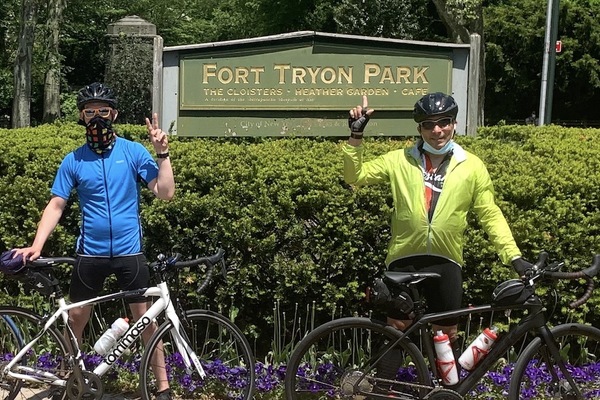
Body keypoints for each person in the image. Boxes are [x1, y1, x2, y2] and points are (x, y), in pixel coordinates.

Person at [343, 93, 532, 381]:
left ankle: (443, 393)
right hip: (404, 259)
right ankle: (381, 391)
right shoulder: (399, 160)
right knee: (395, 331)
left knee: (447, 335)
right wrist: (355, 137)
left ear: (454, 124)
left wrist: (514, 257)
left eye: (444, 122)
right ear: (419, 128)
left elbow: (489, 214)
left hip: (446, 261)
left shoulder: (472, 166)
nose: (437, 130)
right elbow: (354, 176)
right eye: (429, 124)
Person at [12, 82, 175, 399]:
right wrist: (37, 244)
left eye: (103, 110)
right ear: (82, 117)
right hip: (90, 253)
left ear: (114, 114)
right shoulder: (74, 160)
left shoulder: (132, 152)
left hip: (129, 252)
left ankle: (163, 387)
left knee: (145, 322)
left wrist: (162, 154)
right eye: (90, 112)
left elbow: (165, 193)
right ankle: (65, 382)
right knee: (75, 318)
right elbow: (56, 205)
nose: (97, 117)